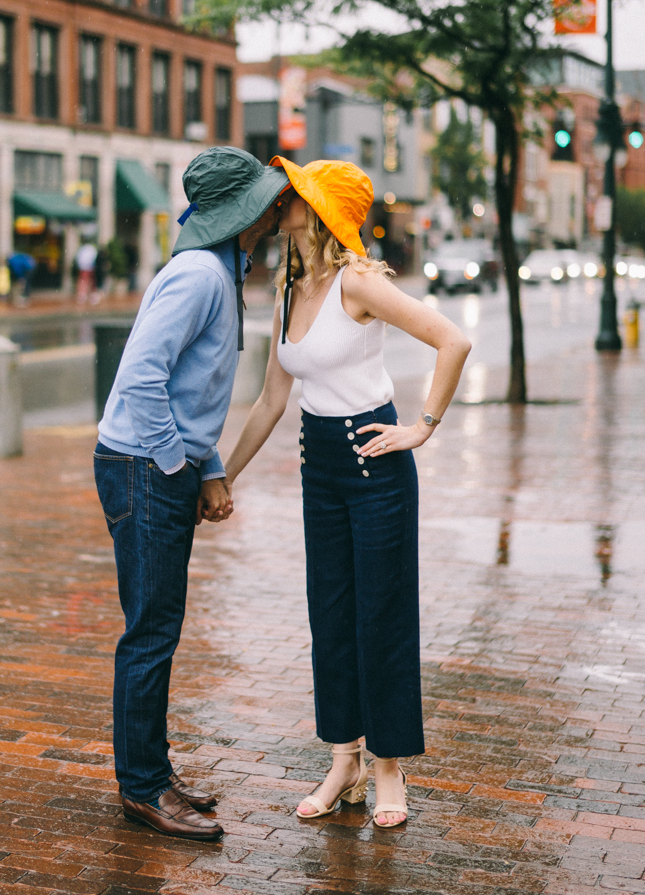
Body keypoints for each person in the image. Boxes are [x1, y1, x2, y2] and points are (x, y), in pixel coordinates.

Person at [224, 157, 471, 828]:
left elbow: (453, 340)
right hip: (320, 465)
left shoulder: (358, 283)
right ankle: (344, 762)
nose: (282, 202)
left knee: (380, 618)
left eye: (295, 194)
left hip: (374, 463)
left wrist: (422, 428)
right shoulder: (288, 288)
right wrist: (224, 474)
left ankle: (389, 770)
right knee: (329, 618)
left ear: (321, 210)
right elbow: (272, 399)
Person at [94, 147, 289, 843]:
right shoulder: (199, 278)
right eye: (266, 207)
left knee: (159, 627)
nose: (274, 219)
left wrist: (207, 469)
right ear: (242, 214)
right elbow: (142, 377)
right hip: (143, 468)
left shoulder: (219, 273)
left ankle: (150, 770)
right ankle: (142, 789)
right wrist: (180, 468)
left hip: (157, 466)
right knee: (150, 631)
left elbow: (188, 392)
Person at [75, 239, 98, 304]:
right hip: (88, 267)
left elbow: (79, 258)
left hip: (85, 267)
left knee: (84, 280)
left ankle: (84, 295)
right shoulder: (90, 248)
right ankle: (84, 295)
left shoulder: (83, 249)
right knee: (87, 280)